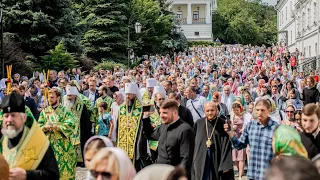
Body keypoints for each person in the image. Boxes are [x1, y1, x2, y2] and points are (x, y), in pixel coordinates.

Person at [0, 92, 59, 180]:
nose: (9, 120)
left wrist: (27, 175)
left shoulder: (39, 142)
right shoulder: (2, 139)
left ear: (23, 118)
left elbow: (53, 175)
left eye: (13, 115)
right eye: (6, 116)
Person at [224, 99, 278, 180]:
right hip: (253, 174)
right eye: (257, 110)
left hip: (269, 174)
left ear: (269, 110)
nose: (259, 113)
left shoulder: (276, 128)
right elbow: (239, 145)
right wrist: (231, 134)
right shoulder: (250, 126)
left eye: (262, 110)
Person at [142, 100, 195, 178]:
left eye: (165, 113)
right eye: (160, 113)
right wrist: (146, 118)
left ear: (175, 113)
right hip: (160, 173)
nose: (161, 116)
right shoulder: (164, 126)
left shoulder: (185, 129)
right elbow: (151, 136)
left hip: (174, 175)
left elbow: (186, 159)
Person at [38, 88, 76, 179]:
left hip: (63, 146)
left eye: (52, 97)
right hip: (48, 145)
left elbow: (71, 124)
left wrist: (57, 127)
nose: (49, 100)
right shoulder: (45, 111)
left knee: (63, 171)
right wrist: (45, 127)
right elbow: (38, 126)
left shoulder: (65, 111)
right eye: (48, 97)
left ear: (58, 97)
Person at [192, 101, 234, 180]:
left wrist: (225, 165)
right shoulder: (198, 123)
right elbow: (193, 143)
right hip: (200, 158)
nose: (210, 113)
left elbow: (226, 145)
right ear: (204, 111)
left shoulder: (222, 124)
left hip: (216, 158)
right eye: (207, 111)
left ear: (216, 111)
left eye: (212, 110)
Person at [117, 83, 150, 171]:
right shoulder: (121, 108)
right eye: (126, 94)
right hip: (124, 140)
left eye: (129, 94)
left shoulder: (143, 107)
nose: (127, 96)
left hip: (137, 139)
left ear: (134, 95)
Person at [62, 84, 92, 165]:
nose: (68, 97)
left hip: (79, 128)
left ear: (75, 95)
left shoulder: (81, 103)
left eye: (70, 96)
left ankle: (79, 161)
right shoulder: (63, 100)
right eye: (68, 95)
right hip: (66, 127)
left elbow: (85, 119)